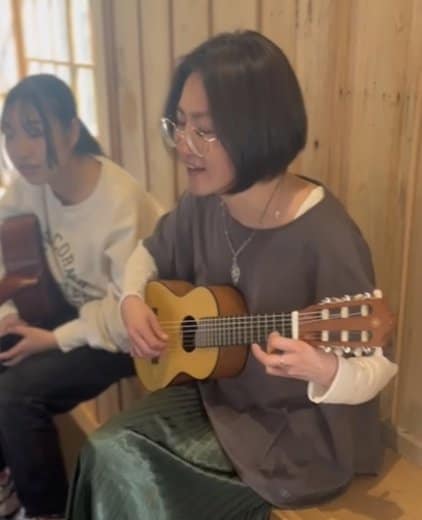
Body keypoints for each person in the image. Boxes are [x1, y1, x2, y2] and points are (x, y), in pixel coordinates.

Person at [67, 31, 398, 520]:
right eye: (179, 124)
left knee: (128, 474)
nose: (184, 145)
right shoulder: (205, 203)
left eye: (205, 130)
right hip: (218, 399)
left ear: (259, 128)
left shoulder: (325, 234)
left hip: (296, 438)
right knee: (103, 452)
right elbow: (148, 252)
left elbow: (376, 368)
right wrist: (132, 301)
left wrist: (324, 369)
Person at [0, 74, 158, 520]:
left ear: (71, 131)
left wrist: (52, 340)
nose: (20, 149)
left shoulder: (119, 199)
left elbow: (126, 312)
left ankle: (47, 510)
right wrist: (7, 310)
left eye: (35, 130)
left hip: (128, 334)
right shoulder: (33, 180)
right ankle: (9, 478)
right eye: (10, 132)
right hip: (70, 314)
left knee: (16, 394)